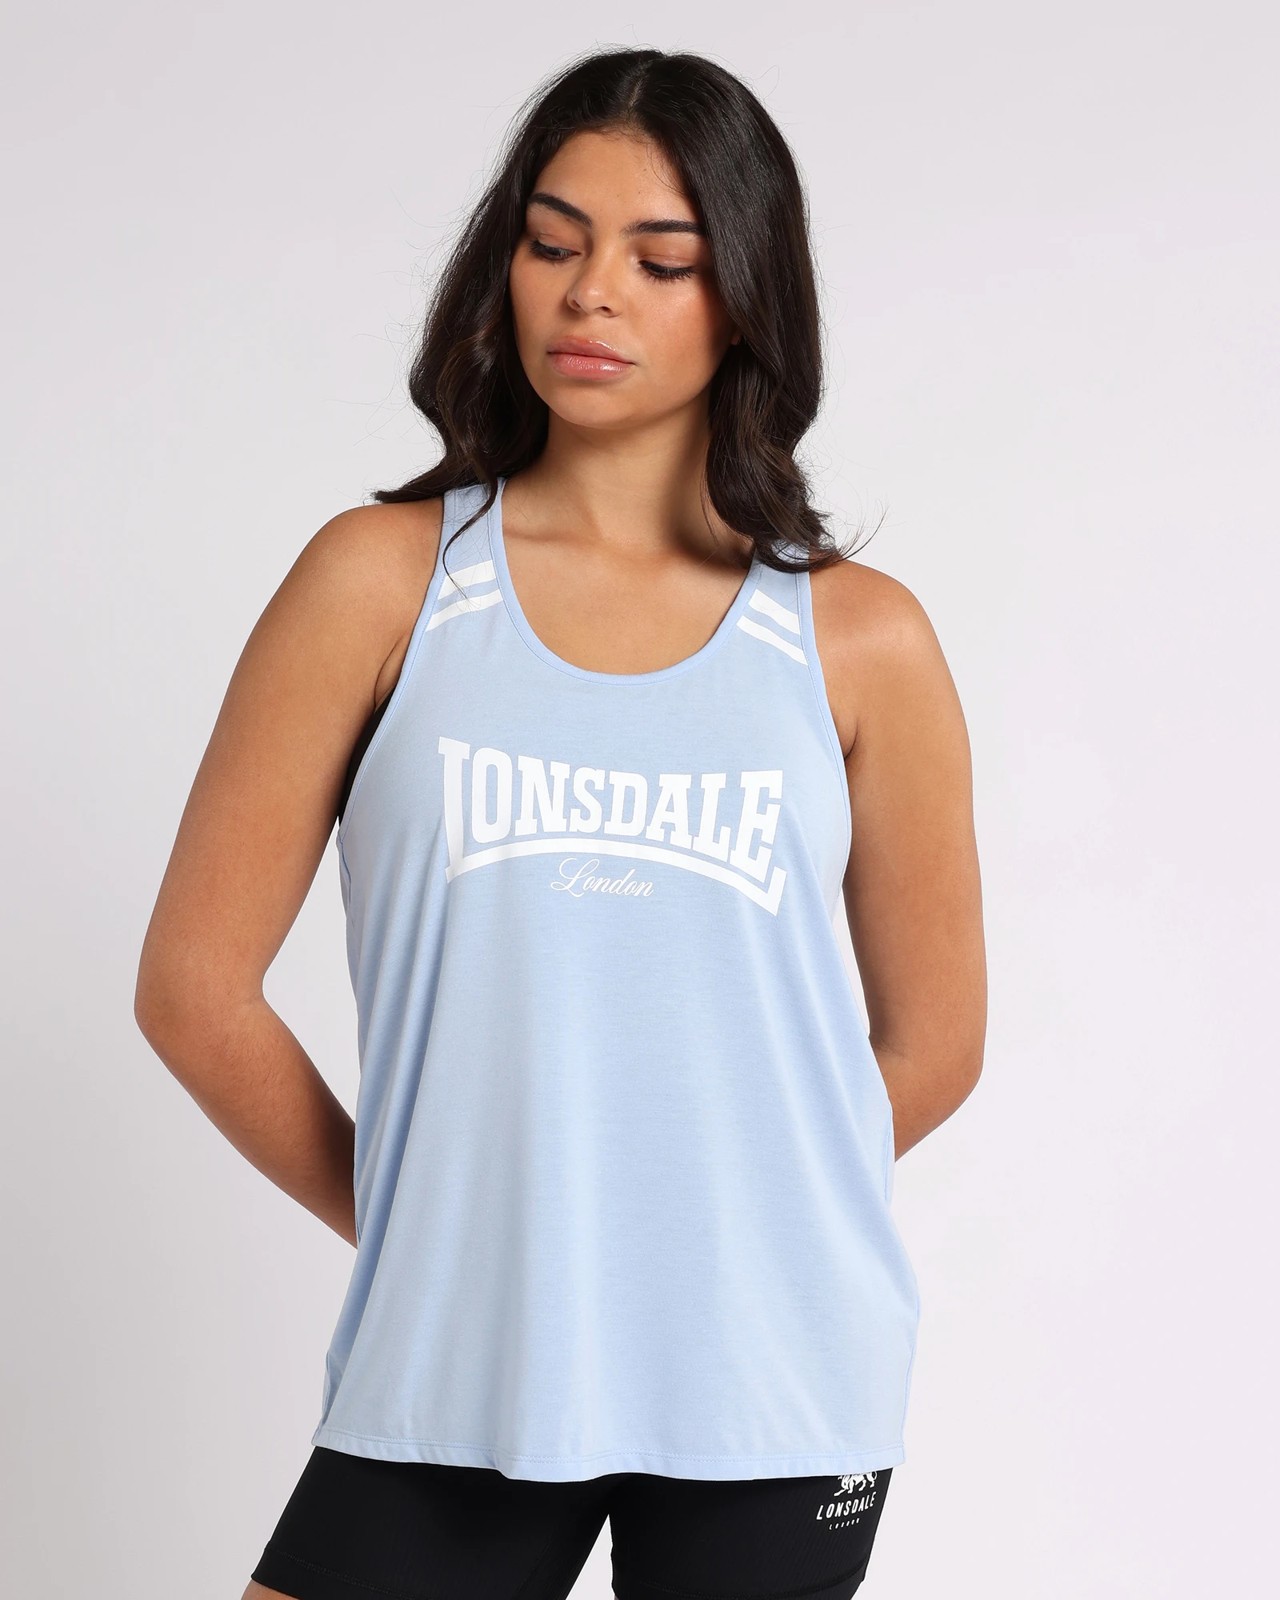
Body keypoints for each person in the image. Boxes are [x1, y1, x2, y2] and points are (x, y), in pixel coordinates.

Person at [134, 45, 986, 1600]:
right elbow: (193, 990)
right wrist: (440, 1225)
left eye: (662, 259)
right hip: (460, 1357)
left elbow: (935, 1044)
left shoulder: (862, 640)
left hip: (775, 1378)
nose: (592, 292)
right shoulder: (377, 582)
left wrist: (711, 1235)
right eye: (552, 241)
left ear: (746, 299)